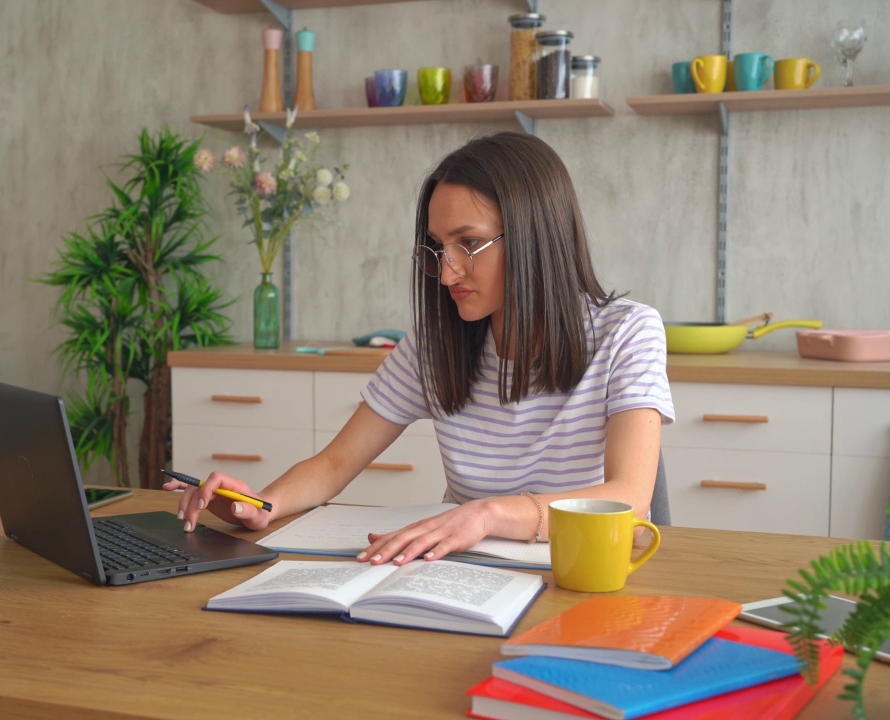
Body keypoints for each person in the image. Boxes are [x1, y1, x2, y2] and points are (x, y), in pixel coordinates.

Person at [165, 131, 674, 566]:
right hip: (465, 572)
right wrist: (263, 505)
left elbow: (628, 498)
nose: (447, 271)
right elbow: (334, 465)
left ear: (533, 237)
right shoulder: (436, 345)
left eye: (468, 244)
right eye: (436, 247)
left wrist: (487, 513)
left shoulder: (628, 333)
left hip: (581, 572)